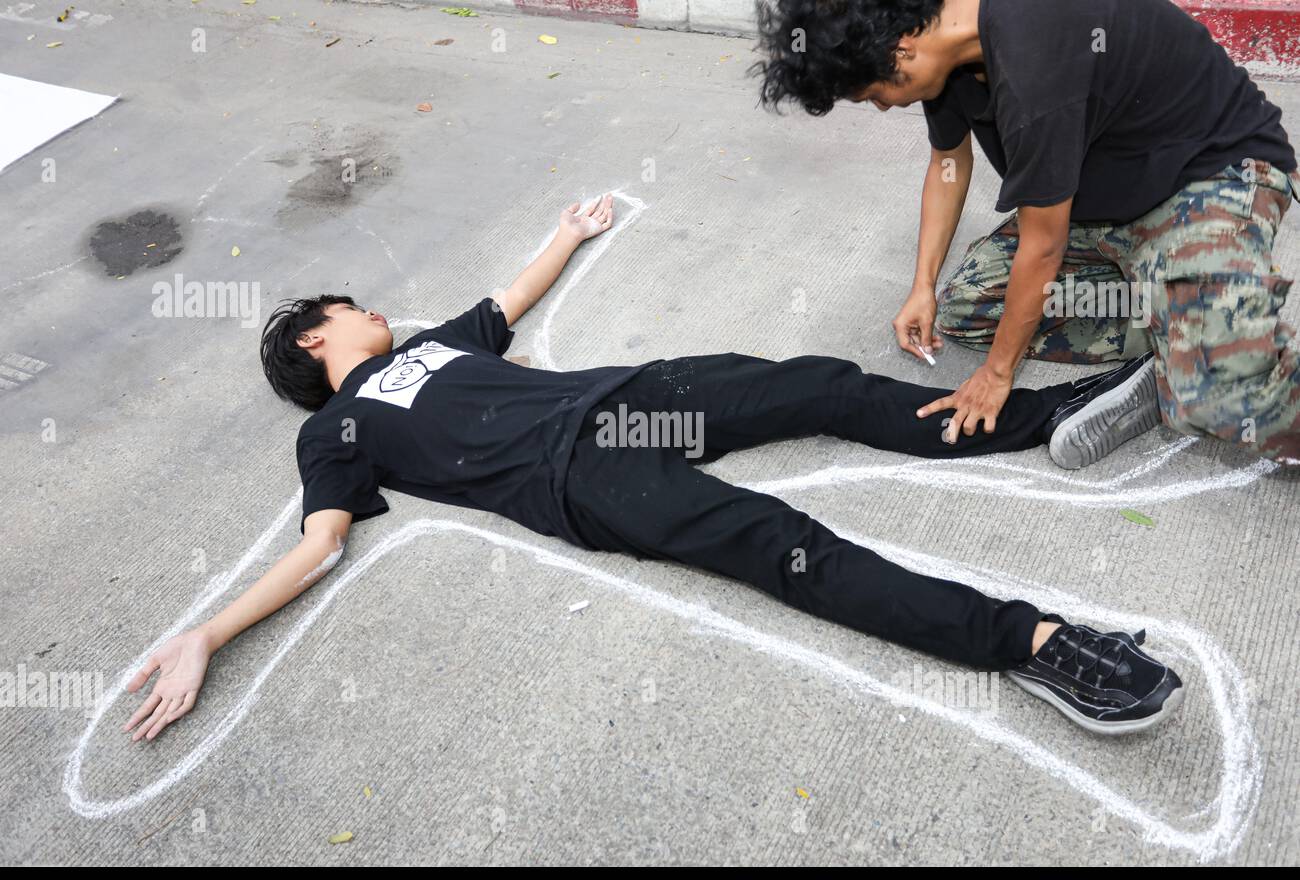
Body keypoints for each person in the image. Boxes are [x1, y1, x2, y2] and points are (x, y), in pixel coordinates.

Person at [123, 195, 1183, 745]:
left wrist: (567, 232)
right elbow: (319, 543)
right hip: (587, 482)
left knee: (822, 386)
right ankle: (1039, 644)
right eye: (344, 306)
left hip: (633, 402)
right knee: (791, 552)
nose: (364, 307)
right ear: (315, 339)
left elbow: (509, 299)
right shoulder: (335, 431)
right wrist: (204, 633)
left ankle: (1045, 415)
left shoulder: (431, 346)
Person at [752, 0, 1300, 466]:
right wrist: (922, 284)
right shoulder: (951, 47)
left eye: (872, 95)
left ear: (902, 53)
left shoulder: (1034, 58)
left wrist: (997, 375)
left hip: (1208, 179)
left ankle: (1204, 349)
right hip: (1102, 201)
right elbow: (949, 162)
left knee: (1218, 393)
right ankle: (1180, 337)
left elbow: (1043, 246)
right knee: (966, 309)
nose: (882, 106)